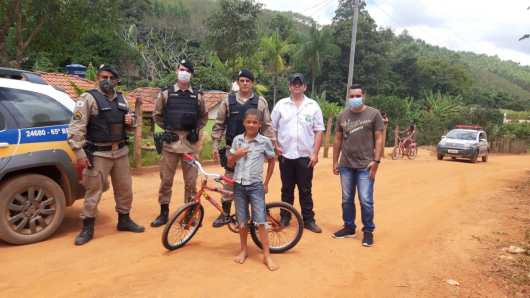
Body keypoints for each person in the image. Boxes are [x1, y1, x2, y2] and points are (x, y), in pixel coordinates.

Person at [67, 64, 144, 246]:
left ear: (116, 80)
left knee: (125, 189)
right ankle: (88, 227)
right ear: (97, 79)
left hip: (120, 152)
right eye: (104, 77)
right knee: (93, 191)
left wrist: (131, 121)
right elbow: (75, 129)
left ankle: (124, 220)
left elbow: (132, 124)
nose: (107, 81)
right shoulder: (87, 99)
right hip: (98, 154)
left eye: (111, 78)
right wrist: (79, 154)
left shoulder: (122, 100)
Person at [210, 69, 276, 227]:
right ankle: (225, 212)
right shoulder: (228, 100)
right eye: (242, 80)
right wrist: (215, 145)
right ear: (238, 83)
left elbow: (267, 127)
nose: (245, 83)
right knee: (229, 179)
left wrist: (270, 148)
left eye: (248, 80)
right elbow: (219, 124)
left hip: (255, 149)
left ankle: (259, 211)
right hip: (232, 148)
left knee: (254, 179)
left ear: (252, 83)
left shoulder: (260, 102)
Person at [150, 60, 208, 227]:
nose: (185, 73)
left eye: (188, 71)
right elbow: (157, 115)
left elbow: (204, 117)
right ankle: (163, 214)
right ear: (176, 71)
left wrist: (192, 129)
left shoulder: (198, 95)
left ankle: (190, 214)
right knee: (166, 180)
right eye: (182, 69)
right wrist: (170, 129)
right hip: (170, 145)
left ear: (192, 75)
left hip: (190, 144)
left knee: (191, 182)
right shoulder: (166, 93)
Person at [271, 73, 325, 233]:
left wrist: (315, 154)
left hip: (305, 156)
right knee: (286, 189)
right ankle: (285, 217)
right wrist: (275, 146)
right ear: (289, 87)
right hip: (285, 155)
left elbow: (319, 130)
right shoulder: (281, 105)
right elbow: (271, 128)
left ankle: (308, 220)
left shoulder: (313, 106)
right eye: (293, 83)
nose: (296, 86)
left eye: (299, 83)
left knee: (305, 189)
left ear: (304, 86)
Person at [332, 84, 384, 247]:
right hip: (346, 164)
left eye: (358, 96)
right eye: (352, 96)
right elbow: (338, 139)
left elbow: (379, 139)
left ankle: (368, 231)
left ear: (364, 96)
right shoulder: (342, 115)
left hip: (366, 165)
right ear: (348, 98)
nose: (355, 99)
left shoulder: (374, 114)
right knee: (347, 199)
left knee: (365, 200)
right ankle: (349, 227)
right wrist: (335, 161)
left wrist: (376, 161)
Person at [227, 108, 277, 271]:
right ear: (244, 123)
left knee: (261, 221)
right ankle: (244, 250)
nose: (251, 124)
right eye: (248, 121)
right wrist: (236, 155)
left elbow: (271, 160)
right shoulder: (237, 140)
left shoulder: (264, 141)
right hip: (239, 186)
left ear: (260, 124)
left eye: (255, 122)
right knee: (242, 220)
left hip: (256, 186)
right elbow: (229, 164)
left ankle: (266, 255)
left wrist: (266, 182)